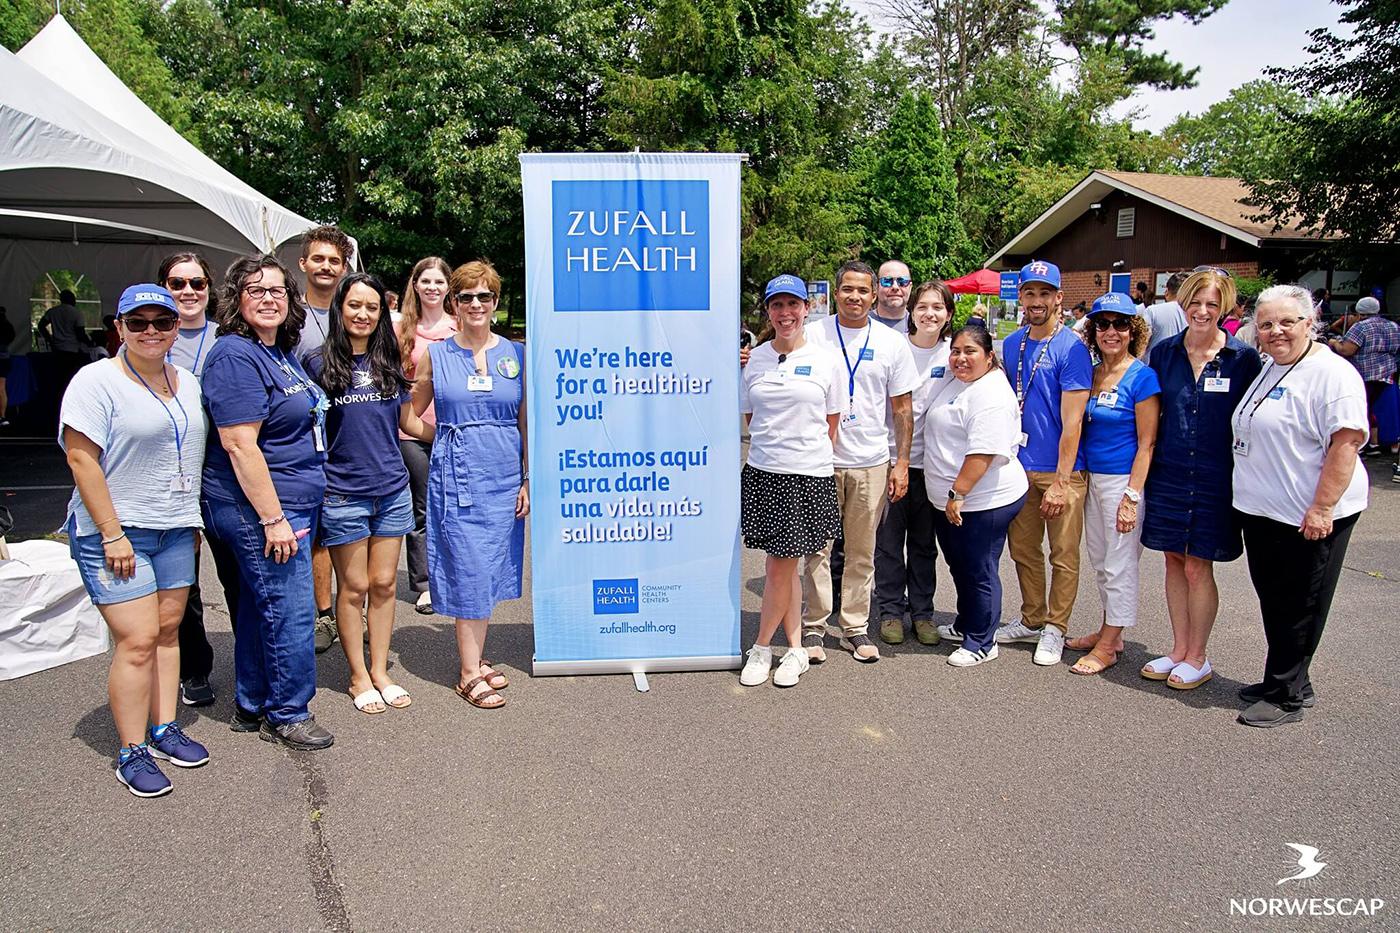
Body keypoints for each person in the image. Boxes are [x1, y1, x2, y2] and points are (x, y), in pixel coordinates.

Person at [61, 284, 210, 797]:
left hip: (175, 527)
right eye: (138, 322)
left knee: (168, 633)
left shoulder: (186, 382)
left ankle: (164, 726)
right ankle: (131, 751)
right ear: (119, 328)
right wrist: (112, 533)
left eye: (162, 323)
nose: (151, 332)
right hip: (118, 532)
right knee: (138, 639)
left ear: (175, 328)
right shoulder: (95, 381)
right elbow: (81, 459)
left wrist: (190, 523)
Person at [200, 255, 333, 750]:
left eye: (278, 290)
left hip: (291, 500)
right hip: (260, 508)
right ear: (236, 299)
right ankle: (289, 711)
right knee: (290, 610)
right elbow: (239, 444)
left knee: (262, 609)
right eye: (256, 290)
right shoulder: (235, 355)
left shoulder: (277, 350)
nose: (269, 298)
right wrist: (273, 519)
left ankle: (252, 703)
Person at [1232, 285, 1368, 727]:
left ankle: (1287, 695)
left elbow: (1345, 444)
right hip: (1264, 512)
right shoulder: (1273, 365)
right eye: (1267, 323)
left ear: (1310, 322)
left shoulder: (1332, 373)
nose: (1276, 331)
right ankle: (1286, 678)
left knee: (1301, 604)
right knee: (1274, 599)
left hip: (1308, 513)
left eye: (1288, 322)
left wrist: (1322, 508)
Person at [307, 273, 432, 713]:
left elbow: (410, 424)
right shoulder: (316, 364)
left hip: (392, 491)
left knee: (382, 585)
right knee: (354, 586)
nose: (363, 314)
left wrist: (458, 437)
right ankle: (357, 676)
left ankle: (380, 670)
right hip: (342, 494)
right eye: (354, 305)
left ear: (382, 314)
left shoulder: (389, 364)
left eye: (372, 307)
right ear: (339, 308)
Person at [410, 260, 527, 709]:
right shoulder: (436, 355)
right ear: (453, 304)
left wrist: (527, 479)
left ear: (496, 302)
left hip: (503, 478)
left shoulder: (515, 353)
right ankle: (466, 673)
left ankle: (476, 661)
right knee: (469, 568)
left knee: (492, 567)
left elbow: (524, 424)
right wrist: (443, 438)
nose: (475, 304)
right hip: (457, 476)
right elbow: (408, 415)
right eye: (466, 297)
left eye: (484, 296)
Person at [1139, 268, 1262, 689]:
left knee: (1197, 565)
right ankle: (1177, 650)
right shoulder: (1164, 353)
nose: (1203, 311)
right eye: (1196, 302)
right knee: (1173, 559)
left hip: (1215, 477)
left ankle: (1198, 655)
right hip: (1169, 472)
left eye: (1212, 304)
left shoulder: (1243, 359)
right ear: (1183, 302)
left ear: (1224, 307)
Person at [800, 260, 918, 664]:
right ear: (836, 293)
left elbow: (903, 409)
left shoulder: (891, 343)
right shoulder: (813, 334)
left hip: (871, 461)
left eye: (863, 291)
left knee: (862, 552)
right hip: (819, 459)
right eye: (847, 289)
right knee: (816, 547)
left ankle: (853, 627)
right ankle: (814, 625)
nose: (855, 297)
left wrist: (901, 462)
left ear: (873, 296)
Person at [737, 275, 845, 688]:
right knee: (786, 566)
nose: (785, 313)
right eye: (777, 305)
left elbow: (831, 422)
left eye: (793, 305)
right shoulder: (755, 360)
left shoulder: (826, 359)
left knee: (781, 566)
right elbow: (753, 418)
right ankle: (796, 649)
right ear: (768, 311)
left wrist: (803, 455)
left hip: (807, 475)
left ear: (806, 308)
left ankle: (763, 646)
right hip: (765, 471)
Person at [994, 260, 1092, 667]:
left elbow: (1073, 423)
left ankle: (1056, 626)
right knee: (1023, 549)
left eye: (1044, 294)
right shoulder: (1012, 342)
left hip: (1060, 470)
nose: (1036, 301)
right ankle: (1032, 619)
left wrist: (1061, 482)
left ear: (1058, 298)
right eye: (1029, 293)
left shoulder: (1072, 348)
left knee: (1063, 553)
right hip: (1020, 466)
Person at [1063, 293, 1160, 675]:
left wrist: (1132, 496)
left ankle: (1108, 646)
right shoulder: (1093, 372)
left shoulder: (1142, 377)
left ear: (1133, 329)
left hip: (1122, 480)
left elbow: (1147, 443)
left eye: (1120, 324)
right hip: (1092, 478)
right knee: (1102, 562)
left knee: (1120, 564)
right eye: (1102, 324)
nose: (1111, 331)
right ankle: (1111, 632)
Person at [923, 325, 1029, 666]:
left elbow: (982, 453)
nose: (961, 358)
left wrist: (958, 493)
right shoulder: (959, 382)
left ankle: (983, 640)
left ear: (989, 356)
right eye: (956, 351)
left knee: (979, 568)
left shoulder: (991, 394)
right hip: (951, 499)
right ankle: (967, 622)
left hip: (983, 500)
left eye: (970, 351)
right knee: (961, 565)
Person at [875, 280, 956, 646]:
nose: (930, 314)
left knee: (924, 545)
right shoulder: (894, 349)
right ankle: (891, 610)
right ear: (911, 311)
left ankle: (922, 613)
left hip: (935, 466)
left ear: (949, 315)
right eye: (923, 306)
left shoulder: (955, 354)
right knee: (889, 543)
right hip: (892, 461)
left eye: (938, 307)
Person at [158, 251, 221, 708]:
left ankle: (257, 666)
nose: (188, 293)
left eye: (197, 283)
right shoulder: (151, 338)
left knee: (240, 573)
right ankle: (194, 667)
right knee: (185, 580)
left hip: (222, 469)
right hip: (173, 475)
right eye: (177, 284)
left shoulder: (226, 338)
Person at [295, 225, 354, 652]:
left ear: (344, 266)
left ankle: (354, 606)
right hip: (305, 443)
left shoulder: (355, 311)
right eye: (318, 259)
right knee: (317, 535)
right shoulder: (290, 319)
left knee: (353, 534)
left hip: (352, 439)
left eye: (334, 260)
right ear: (303, 263)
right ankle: (324, 615)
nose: (326, 267)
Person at [395, 257, 456, 616]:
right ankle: (423, 584)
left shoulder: (459, 326)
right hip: (412, 432)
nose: (432, 287)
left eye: (439, 281)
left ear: (448, 287)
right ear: (415, 285)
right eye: (426, 281)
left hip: (452, 433)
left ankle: (450, 574)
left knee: (450, 506)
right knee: (422, 506)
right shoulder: (401, 329)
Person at [1329, 296, 1400, 457]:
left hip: (1365, 374)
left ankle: (1370, 444)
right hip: (1388, 373)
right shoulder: (1393, 326)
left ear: (1360, 312)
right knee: (1387, 409)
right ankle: (1391, 443)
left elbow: (1347, 350)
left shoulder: (1361, 327)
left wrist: (1334, 343)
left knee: (1364, 409)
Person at [40, 288, 91, 399]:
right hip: (72, 350)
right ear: (72, 300)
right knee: (71, 378)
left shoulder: (53, 312)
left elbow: (41, 325)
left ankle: (58, 400)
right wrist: (90, 343)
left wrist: (49, 340)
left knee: (58, 379)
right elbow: (80, 333)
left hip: (57, 349)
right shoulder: (76, 313)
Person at [1143, 273, 1188, 353]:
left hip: (1154, 364)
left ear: (1166, 292)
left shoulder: (1152, 311)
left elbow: (1142, 343)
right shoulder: (1197, 315)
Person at [872, 260, 913, 329]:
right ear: (876, 286)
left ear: (910, 287)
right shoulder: (860, 323)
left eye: (902, 281)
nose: (895, 287)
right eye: (887, 281)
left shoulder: (919, 326)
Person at [0, 305, 14, 428]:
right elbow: (11, 337)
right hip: (4, 357)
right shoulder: (7, 325)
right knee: (1, 387)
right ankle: (2, 416)